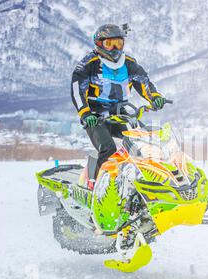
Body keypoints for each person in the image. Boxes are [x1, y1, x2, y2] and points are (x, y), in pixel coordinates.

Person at [71, 24, 167, 177]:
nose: (115, 49)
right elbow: (78, 91)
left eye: (118, 43)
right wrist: (85, 113)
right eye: (109, 44)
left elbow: (144, 83)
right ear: (98, 44)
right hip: (95, 116)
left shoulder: (128, 63)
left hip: (120, 111)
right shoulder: (88, 64)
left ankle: (148, 181)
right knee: (108, 148)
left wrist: (154, 97)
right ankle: (97, 187)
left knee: (145, 142)